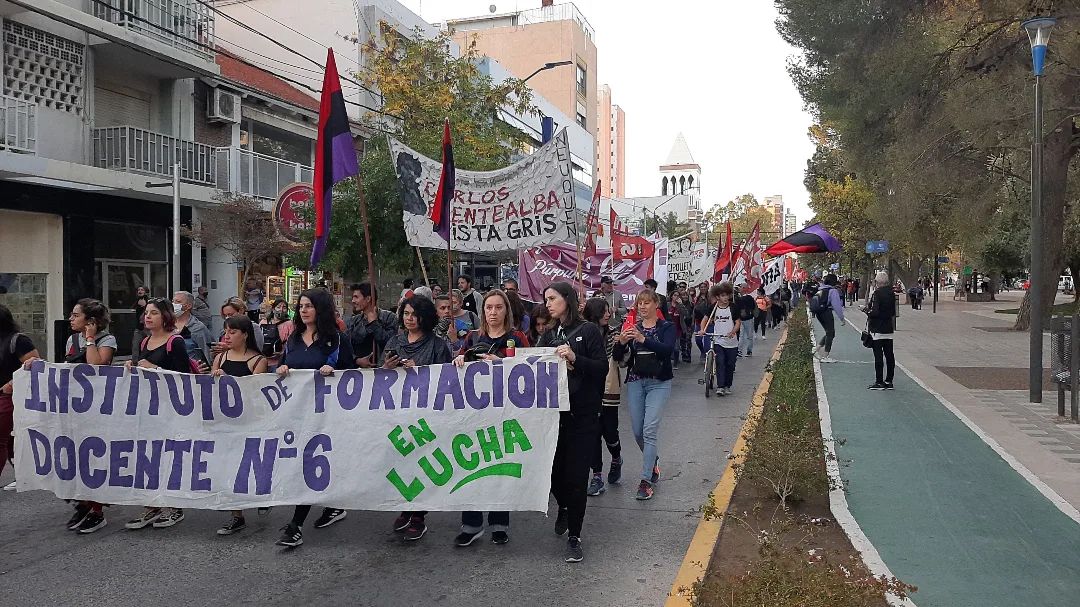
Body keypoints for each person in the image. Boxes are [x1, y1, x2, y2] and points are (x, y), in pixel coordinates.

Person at [274, 289, 356, 547]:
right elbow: (282, 366)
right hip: (298, 413)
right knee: (306, 463)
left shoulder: (338, 340)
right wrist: (282, 369)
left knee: (311, 464)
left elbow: (353, 376)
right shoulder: (293, 339)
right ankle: (333, 505)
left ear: (320, 309)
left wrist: (336, 371)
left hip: (329, 414)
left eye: (309, 306)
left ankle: (296, 525)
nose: (303, 310)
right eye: (300, 306)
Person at [452, 290, 529, 546]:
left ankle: (499, 523)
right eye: (489, 308)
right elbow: (456, 364)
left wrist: (503, 364)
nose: (493, 312)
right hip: (475, 415)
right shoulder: (473, 337)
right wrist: (460, 359)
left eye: (498, 307)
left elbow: (530, 372)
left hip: (506, 412)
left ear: (506, 310)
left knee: (500, 468)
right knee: (471, 466)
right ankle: (472, 524)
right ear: (483, 311)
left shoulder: (517, 338)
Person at [537, 282, 606, 562]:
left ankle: (575, 536)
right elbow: (531, 364)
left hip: (583, 417)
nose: (549, 304)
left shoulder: (587, 330)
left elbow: (601, 368)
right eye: (546, 299)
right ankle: (563, 506)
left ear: (567, 299)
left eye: (552, 298)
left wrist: (576, 358)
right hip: (555, 418)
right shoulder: (549, 334)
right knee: (553, 475)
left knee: (577, 478)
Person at [383, 296, 454, 542]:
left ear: (425, 316)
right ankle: (406, 507)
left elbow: (446, 378)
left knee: (422, 462)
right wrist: (388, 367)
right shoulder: (395, 341)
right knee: (402, 462)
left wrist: (421, 371)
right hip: (399, 412)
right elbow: (381, 376)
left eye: (414, 314)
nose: (409, 318)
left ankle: (419, 515)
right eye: (406, 313)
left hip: (426, 413)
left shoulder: (437, 345)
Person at [124, 298, 194, 531]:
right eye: (146, 312)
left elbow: (184, 378)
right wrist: (132, 368)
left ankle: (174, 507)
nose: (148, 316)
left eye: (153, 312)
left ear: (165, 316)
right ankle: (152, 506)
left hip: (171, 409)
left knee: (169, 458)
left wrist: (155, 369)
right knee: (148, 458)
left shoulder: (176, 342)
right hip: (149, 408)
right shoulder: (145, 341)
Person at [612, 289, 675, 502]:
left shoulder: (666, 327)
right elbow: (618, 358)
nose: (642, 307)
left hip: (659, 383)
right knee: (638, 431)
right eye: (640, 303)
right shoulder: (632, 328)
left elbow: (667, 351)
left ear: (656, 304)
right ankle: (652, 459)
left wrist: (643, 339)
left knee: (649, 431)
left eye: (647, 303)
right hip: (636, 382)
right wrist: (621, 342)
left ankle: (646, 480)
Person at [63, 299, 117, 533]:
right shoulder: (71, 340)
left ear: (91, 321)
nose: (71, 319)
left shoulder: (107, 340)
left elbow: (96, 366)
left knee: (95, 457)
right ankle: (83, 502)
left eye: (76, 315)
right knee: (75, 456)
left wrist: (91, 339)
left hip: (99, 407)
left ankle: (97, 510)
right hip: (76, 406)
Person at [212, 315, 269, 535]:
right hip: (225, 421)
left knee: (251, 466)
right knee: (229, 466)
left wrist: (230, 380)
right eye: (226, 331)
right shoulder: (221, 357)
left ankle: (262, 496)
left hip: (249, 421)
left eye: (233, 332)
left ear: (245, 334)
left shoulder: (258, 361)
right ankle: (236, 515)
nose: (227, 336)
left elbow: (255, 392)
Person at [583, 299, 623, 497]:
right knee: (593, 434)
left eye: (609, 311)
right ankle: (596, 476)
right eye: (604, 311)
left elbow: (623, 361)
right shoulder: (583, 333)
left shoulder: (615, 333)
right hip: (589, 390)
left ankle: (616, 458)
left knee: (609, 431)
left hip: (609, 387)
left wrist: (623, 345)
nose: (608, 314)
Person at [0, 304, 40, 493]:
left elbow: (35, 366)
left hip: (10, 397)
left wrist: (11, 384)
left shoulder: (18, 341)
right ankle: (23, 473)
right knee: (8, 441)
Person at [701, 283, 740, 396]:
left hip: (732, 342)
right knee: (720, 362)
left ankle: (728, 385)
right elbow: (705, 319)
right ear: (717, 296)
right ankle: (720, 386)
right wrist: (702, 330)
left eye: (727, 295)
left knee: (730, 364)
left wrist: (733, 331)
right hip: (718, 340)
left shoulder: (733, 307)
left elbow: (738, 322)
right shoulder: (713, 307)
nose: (725, 298)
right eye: (722, 295)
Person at [346, 283, 397, 368]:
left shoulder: (389, 317)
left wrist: (374, 324)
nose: (353, 301)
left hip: (383, 371)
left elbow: (390, 343)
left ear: (368, 298)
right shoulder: (354, 321)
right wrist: (357, 360)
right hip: (360, 373)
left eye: (356, 297)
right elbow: (346, 347)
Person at [865, 271, 897, 390]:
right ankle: (889, 381)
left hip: (877, 328)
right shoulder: (891, 293)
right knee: (889, 355)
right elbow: (893, 312)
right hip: (888, 327)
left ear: (877, 282)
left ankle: (879, 381)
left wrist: (865, 310)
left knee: (878, 356)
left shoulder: (877, 294)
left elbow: (874, 312)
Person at [171, 290, 212, 370]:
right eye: (173, 301)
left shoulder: (198, 328)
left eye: (178, 302)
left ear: (189, 306)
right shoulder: (166, 325)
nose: (173, 305)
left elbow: (206, 353)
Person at [812, 274, 847, 363]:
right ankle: (825, 356)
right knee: (830, 333)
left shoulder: (821, 289)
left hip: (819, 313)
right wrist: (842, 318)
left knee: (829, 332)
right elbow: (837, 306)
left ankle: (816, 350)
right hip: (826, 312)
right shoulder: (832, 291)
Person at [262, 298, 293, 368]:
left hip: (280, 362)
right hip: (262, 361)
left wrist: (282, 353)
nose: (281, 310)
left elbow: (292, 342)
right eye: (278, 307)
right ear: (273, 309)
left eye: (284, 307)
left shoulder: (290, 324)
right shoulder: (263, 322)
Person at [736, 285, 757, 357]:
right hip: (741, 319)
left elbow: (753, 307)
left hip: (748, 318)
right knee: (742, 335)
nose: (739, 288)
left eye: (740, 287)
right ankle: (740, 351)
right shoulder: (739, 298)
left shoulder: (748, 298)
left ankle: (749, 350)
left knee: (749, 335)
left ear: (744, 288)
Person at [132, 285, 150, 355]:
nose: (140, 291)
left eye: (142, 290)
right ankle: (135, 362)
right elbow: (133, 307)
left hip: (147, 327)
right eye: (139, 290)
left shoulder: (148, 301)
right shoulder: (138, 300)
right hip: (139, 327)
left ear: (146, 292)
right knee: (135, 345)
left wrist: (145, 306)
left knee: (148, 345)